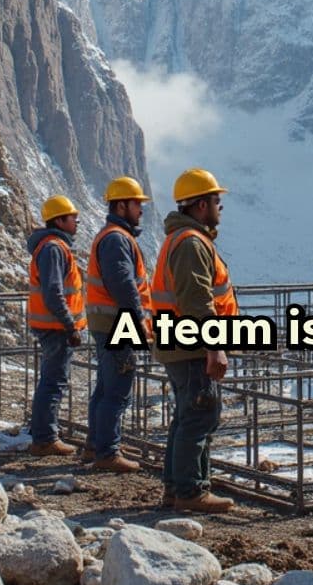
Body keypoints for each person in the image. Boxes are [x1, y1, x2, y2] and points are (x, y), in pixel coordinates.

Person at [151, 167, 238, 514]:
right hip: (192, 346)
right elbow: (197, 302)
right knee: (201, 415)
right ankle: (191, 490)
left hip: (180, 344)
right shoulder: (191, 243)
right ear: (202, 205)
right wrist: (214, 347)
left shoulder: (183, 239)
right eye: (217, 201)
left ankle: (178, 488)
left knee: (188, 416)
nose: (220, 207)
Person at [85, 176, 152, 472]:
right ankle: (107, 452)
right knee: (117, 389)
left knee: (105, 386)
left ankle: (96, 444)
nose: (141, 209)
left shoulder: (112, 235)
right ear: (122, 205)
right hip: (118, 322)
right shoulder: (116, 239)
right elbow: (123, 284)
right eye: (137, 203)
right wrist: (138, 320)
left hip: (107, 320)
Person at [27, 195, 86, 455]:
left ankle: (44, 435)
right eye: (73, 218)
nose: (77, 222)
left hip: (52, 327)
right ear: (60, 221)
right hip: (56, 329)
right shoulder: (53, 248)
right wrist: (70, 325)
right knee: (53, 382)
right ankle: (44, 438)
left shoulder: (53, 246)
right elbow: (54, 292)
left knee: (51, 380)